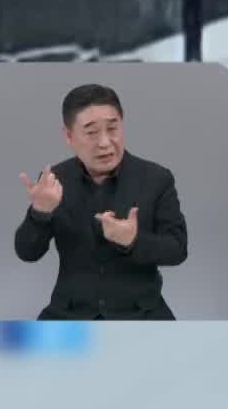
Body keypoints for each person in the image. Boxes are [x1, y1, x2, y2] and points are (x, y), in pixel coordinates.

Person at [14, 83, 189, 319]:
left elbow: (177, 250)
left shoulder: (156, 178)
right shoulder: (54, 182)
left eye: (112, 128)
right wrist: (40, 213)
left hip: (141, 313)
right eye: (92, 132)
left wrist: (133, 241)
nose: (105, 142)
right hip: (70, 313)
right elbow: (27, 253)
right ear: (69, 136)